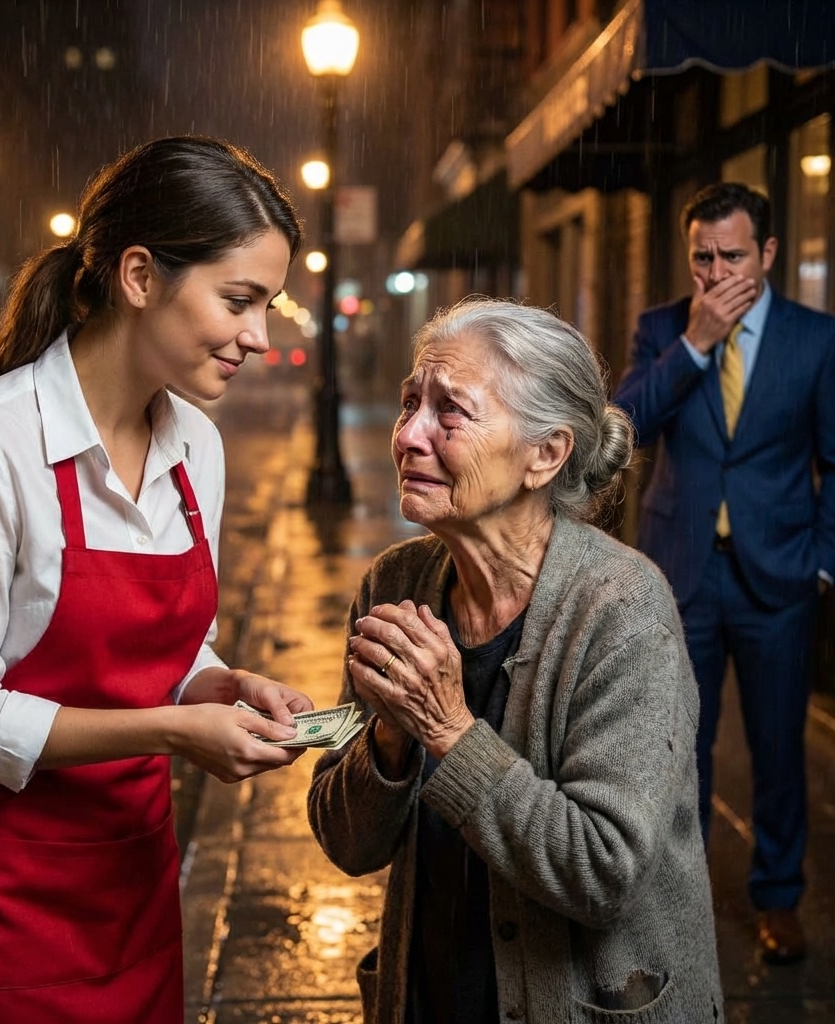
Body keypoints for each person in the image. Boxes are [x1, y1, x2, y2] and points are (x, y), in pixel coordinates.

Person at [0, 135, 313, 1024]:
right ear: (140, 275)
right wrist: (173, 730)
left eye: (267, 305)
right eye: (239, 300)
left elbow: (175, 642)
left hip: (131, 885)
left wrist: (218, 683)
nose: (260, 337)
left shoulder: (201, 447)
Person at [307, 297, 724, 1024]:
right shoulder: (395, 586)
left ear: (546, 454)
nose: (408, 435)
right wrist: (389, 740)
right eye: (410, 403)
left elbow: (601, 872)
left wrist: (446, 729)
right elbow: (347, 841)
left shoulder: (622, 609)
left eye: (451, 412)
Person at [614, 182, 835, 965]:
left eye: (732, 256)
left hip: (780, 576)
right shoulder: (663, 330)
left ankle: (779, 899)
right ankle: (679, 897)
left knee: (779, 750)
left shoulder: (816, 339)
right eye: (701, 258)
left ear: (768, 254)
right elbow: (626, 425)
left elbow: (834, 460)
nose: (714, 272)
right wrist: (697, 344)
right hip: (680, 574)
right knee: (680, 748)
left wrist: (824, 561)